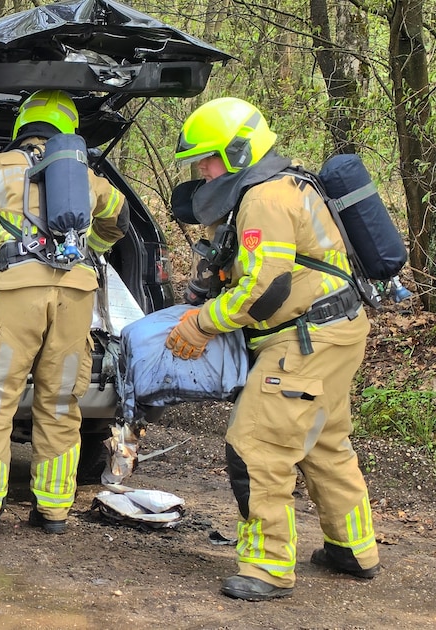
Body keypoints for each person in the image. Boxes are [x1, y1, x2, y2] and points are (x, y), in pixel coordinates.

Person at [168, 97, 380, 601]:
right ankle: (353, 549)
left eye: (207, 159)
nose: (202, 171)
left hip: (306, 339)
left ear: (238, 152)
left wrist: (202, 324)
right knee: (325, 443)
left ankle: (267, 566)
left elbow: (266, 290)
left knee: (257, 446)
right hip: (338, 330)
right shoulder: (287, 184)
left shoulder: (265, 198)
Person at [0, 90, 127, 540]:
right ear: (69, 130)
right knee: (60, 404)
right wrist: (92, 250)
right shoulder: (87, 178)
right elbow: (120, 221)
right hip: (77, 296)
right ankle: (53, 511)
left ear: (24, 123)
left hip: (18, 292)